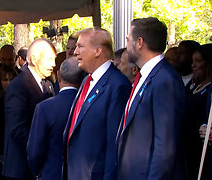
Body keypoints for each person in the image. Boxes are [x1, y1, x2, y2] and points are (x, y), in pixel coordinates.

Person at [116, 17, 186, 180]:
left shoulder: (165, 80)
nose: (126, 46)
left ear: (139, 42)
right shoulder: (146, 77)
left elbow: (165, 145)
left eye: (128, 40)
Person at [64, 27, 131, 180]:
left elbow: (114, 144)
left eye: (80, 47)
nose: (75, 52)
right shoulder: (87, 80)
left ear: (97, 51)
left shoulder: (117, 86)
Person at [2, 38, 56, 180]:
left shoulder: (46, 85)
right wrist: (39, 150)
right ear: (33, 59)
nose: (54, 65)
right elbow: (17, 128)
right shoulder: (19, 85)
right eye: (49, 59)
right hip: (20, 168)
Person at [27, 56, 85, 180]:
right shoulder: (88, 105)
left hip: (50, 173)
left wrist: (38, 172)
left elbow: (34, 151)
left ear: (58, 75)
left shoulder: (45, 108)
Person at [185, 44, 212, 180]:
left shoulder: (209, 91)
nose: (193, 65)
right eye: (192, 61)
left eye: (198, 61)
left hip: (201, 153)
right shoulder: (192, 85)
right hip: (187, 150)